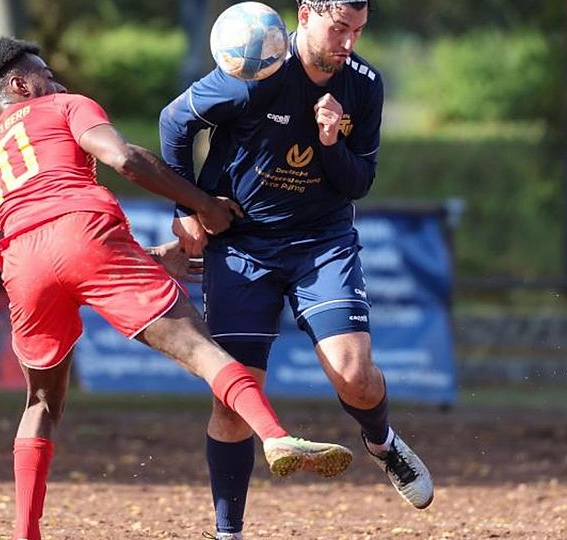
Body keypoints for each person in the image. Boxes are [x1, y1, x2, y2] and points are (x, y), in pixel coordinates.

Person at [0, 37, 354, 540]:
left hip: (22, 265)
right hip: (82, 232)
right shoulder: (64, 106)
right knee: (204, 353)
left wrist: (147, 258)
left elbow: (47, 241)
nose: (57, 82)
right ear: (20, 84)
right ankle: (275, 436)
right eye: (46, 74)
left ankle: (25, 534)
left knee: (40, 403)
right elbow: (124, 160)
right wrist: (202, 205)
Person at [160, 1, 434, 537]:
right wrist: (188, 207)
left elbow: (359, 182)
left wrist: (330, 142)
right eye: (339, 29)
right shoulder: (255, 68)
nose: (348, 44)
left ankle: (382, 443)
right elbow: (175, 122)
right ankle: (228, 531)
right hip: (242, 244)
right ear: (306, 15)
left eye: (358, 31)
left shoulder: (364, 85)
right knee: (235, 400)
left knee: (355, 377)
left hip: (321, 242)